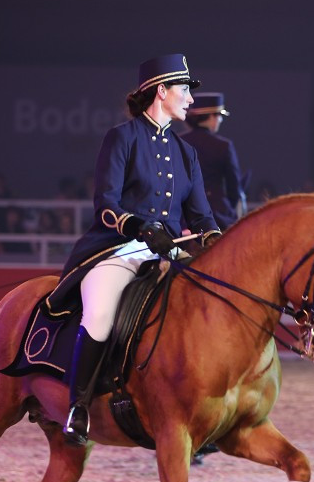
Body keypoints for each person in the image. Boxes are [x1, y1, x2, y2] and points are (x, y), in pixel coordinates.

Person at [46, 54, 221, 445]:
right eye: (185, 91)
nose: (192, 100)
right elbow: (106, 204)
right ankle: (78, 406)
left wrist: (214, 239)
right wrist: (140, 226)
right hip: (119, 249)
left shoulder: (186, 153)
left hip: (168, 255)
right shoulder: (121, 138)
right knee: (102, 310)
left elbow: (202, 216)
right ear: (161, 91)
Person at [180, 92, 245, 229]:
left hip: (183, 216)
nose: (220, 120)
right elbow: (233, 188)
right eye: (219, 116)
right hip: (217, 216)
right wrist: (229, 208)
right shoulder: (223, 145)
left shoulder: (178, 142)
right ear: (211, 116)